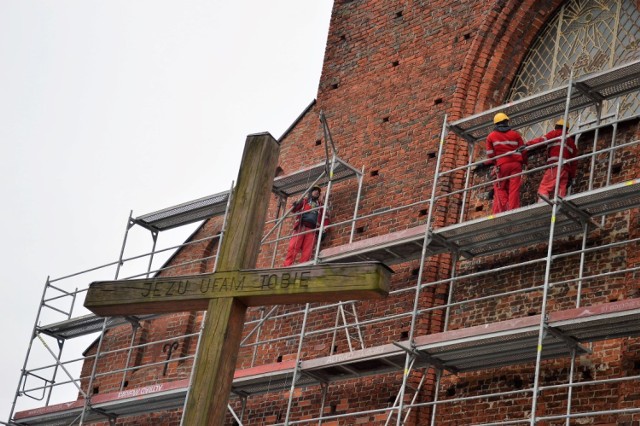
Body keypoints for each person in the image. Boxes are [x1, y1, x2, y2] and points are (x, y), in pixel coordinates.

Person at [485, 112, 527, 214]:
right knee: (514, 189)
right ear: (507, 122)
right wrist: (525, 162)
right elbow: (523, 150)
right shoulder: (515, 134)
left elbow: (490, 154)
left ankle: (506, 205)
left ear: (496, 124)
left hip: (502, 164)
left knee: (500, 187)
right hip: (516, 164)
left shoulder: (491, 136)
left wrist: (496, 162)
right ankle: (513, 209)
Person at [527, 118, 578, 200]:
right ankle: (559, 206)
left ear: (557, 126)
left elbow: (542, 140)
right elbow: (574, 162)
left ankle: (542, 206)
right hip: (565, 170)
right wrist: (572, 177)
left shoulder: (555, 134)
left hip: (555, 166)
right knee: (561, 190)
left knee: (544, 187)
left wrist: (528, 144)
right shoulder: (572, 143)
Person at [283, 186, 329, 266]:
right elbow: (294, 209)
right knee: (293, 247)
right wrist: (294, 205)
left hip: (312, 230)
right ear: (311, 192)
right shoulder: (304, 201)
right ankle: (287, 266)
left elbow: (325, 218)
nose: (316, 192)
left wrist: (324, 229)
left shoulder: (321, 205)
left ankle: (303, 267)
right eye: (314, 190)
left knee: (308, 251)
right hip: (301, 227)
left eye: (318, 191)